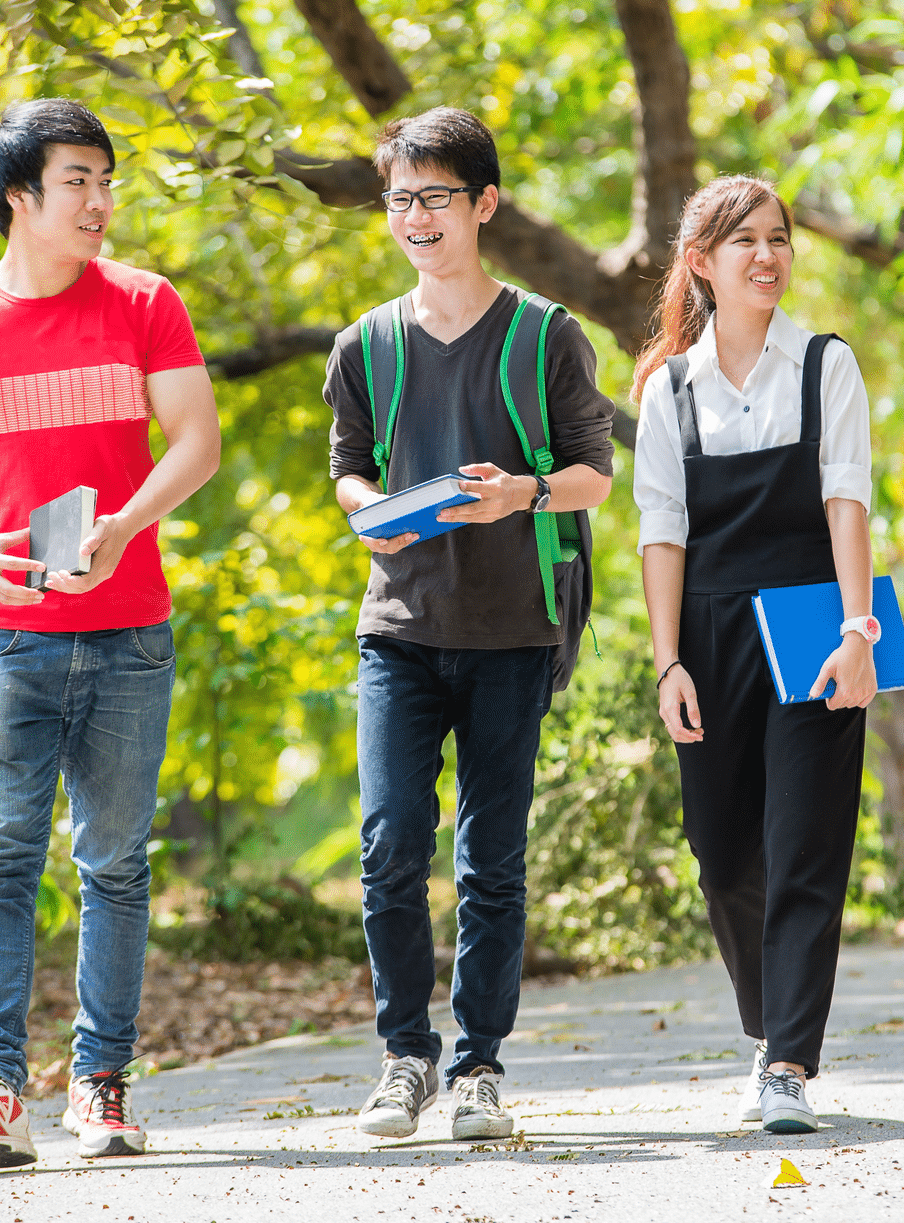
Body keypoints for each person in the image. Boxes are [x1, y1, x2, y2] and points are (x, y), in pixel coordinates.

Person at [0, 99, 221, 1166]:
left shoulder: (144, 303)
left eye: (106, 179)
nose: (100, 201)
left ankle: (103, 1087)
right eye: (78, 180)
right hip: (5, 636)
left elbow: (197, 441)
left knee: (116, 863)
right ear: (19, 196)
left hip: (129, 630)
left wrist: (128, 522)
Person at [324, 107, 615, 1142]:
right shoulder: (364, 344)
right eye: (399, 198)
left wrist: (522, 494)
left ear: (483, 204)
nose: (414, 216)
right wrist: (366, 506)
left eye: (435, 197)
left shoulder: (545, 334)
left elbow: (593, 476)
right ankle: (405, 1056)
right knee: (390, 841)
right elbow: (350, 464)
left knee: (493, 857)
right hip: (399, 626)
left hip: (514, 630)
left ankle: (477, 1066)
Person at [633, 175, 878, 1135]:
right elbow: (661, 533)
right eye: (746, 242)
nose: (769, 256)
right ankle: (766, 1026)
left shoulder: (826, 365)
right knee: (724, 851)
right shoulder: (670, 387)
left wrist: (858, 632)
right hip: (708, 633)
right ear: (702, 263)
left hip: (816, 618)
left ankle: (786, 1060)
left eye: (779, 238)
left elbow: (847, 504)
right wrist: (667, 662)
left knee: (806, 843)